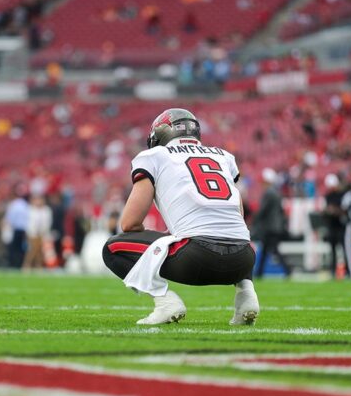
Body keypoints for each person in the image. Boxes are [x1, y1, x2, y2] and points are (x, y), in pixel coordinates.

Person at [102, 108, 259, 326]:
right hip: (244, 258)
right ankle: (246, 293)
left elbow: (130, 222)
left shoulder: (154, 156)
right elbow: (237, 217)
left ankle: (165, 302)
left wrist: (164, 239)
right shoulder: (223, 156)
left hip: (196, 258)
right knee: (232, 231)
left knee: (112, 248)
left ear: (160, 135)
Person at [252, 168, 293, 278]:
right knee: (267, 250)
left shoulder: (269, 193)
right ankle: (259, 272)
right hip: (275, 226)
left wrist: (254, 220)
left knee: (273, 250)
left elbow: (262, 210)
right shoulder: (276, 193)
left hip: (270, 227)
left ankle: (288, 269)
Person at [323, 174, 347, 278]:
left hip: (340, 226)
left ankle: (347, 271)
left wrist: (335, 210)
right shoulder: (328, 196)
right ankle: (333, 271)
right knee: (332, 250)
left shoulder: (342, 195)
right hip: (332, 226)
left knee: (344, 249)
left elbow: (344, 210)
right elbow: (327, 210)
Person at [23, 194, 52, 270]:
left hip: (43, 234)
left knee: (40, 251)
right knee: (33, 249)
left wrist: (43, 231)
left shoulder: (46, 210)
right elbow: (29, 223)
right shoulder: (30, 210)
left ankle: (38, 265)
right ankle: (27, 264)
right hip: (32, 233)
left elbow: (47, 222)